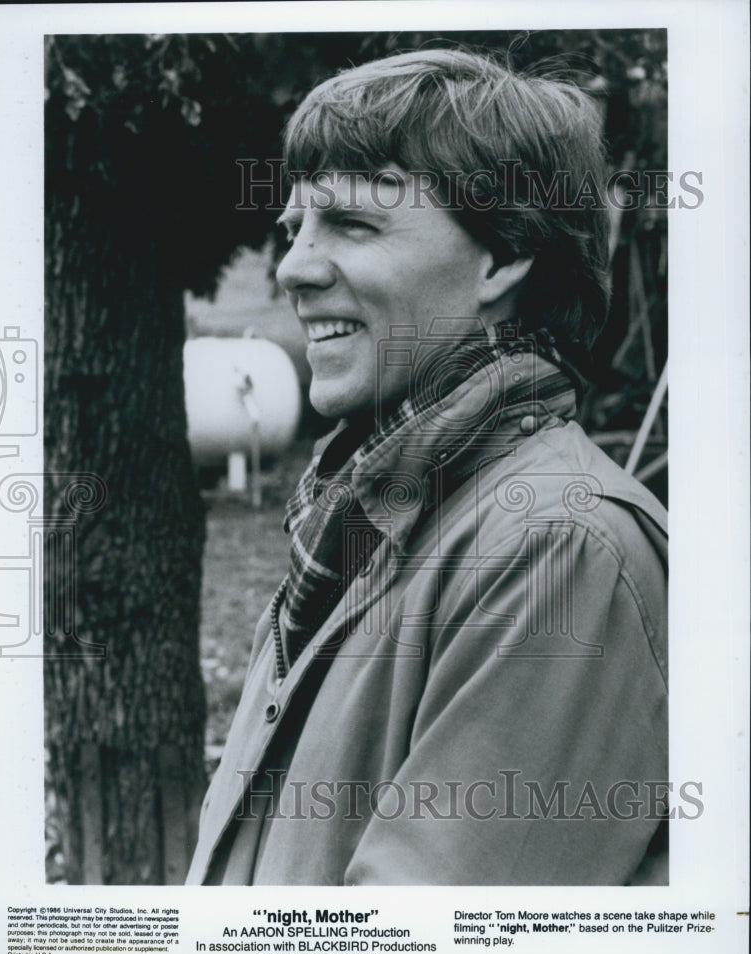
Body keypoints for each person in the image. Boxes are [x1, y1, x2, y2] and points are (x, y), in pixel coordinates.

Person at [186, 48, 668, 886]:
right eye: (294, 226)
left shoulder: (556, 549)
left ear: (501, 257)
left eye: (353, 223)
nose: (294, 265)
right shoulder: (355, 515)